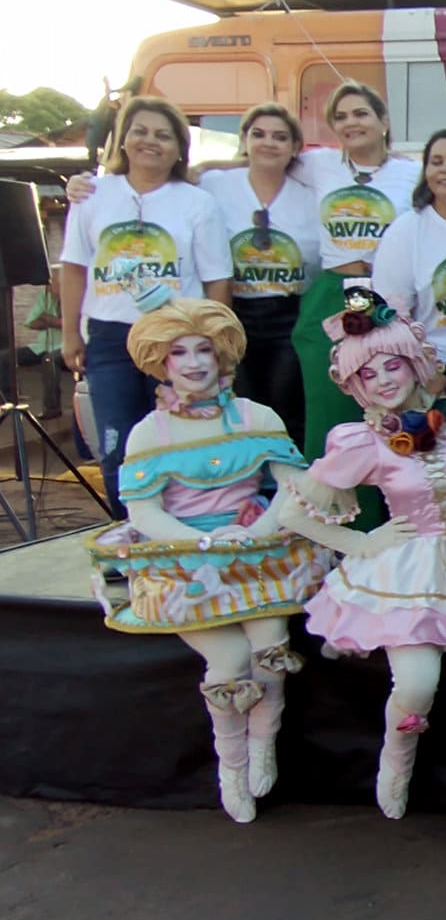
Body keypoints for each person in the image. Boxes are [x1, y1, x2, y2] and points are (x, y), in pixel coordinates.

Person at [278, 288, 446, 847]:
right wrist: (356, 542)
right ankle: (397, 752)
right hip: (406, 566)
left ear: (417, 363)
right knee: (418, 684)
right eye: (368, 376)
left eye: (393, 365)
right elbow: (290, 510)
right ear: (354, 387)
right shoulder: (361, 441)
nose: (384, 380)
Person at [85, 293, 327, 822]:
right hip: (185, 563)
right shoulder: (150, 432)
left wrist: (259, 532)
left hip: (256, 554)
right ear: (161, 362)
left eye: (203, 350)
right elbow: (144, 511)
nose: (194, 363)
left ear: (221, 355)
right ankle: (232, 768)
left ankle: (263, 742)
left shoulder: (255, 415)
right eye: (179, 353)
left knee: (272, 651)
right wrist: (204, 545)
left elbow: (293, 486)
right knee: (230, 662)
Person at [58, 96, 232, 514]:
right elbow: (74, 268)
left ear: (178, 149)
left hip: (179, 337)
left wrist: (217, 347)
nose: (150, 142)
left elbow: (217, 280)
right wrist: (69, 335)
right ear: (123, 140)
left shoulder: (197, 202)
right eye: (140, 131)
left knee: (183, 438)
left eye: (163, 135)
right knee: (119, 443)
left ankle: (184, 535)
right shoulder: (92, 194)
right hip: (110, 337)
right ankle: (131, 537)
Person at [288, 82, 424, 461]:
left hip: (383, 291)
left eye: (360, 113)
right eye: (341, 116)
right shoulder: (319, 165)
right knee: (330, 404)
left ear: (383, 120)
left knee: (388, 398)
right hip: (333, 290)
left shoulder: (411, 173)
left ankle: (391, 506)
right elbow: (265, 158)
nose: (351, 123)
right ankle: (332, 507)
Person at [198, 103, 319, 441]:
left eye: (280, 137)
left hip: (289, 315)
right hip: (234, 313)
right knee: (240, 407)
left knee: (286, 407)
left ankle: (290, 488)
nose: (269, 143)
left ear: (295, 147)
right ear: (244, 140)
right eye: (259, 134)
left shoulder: (312, 195)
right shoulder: (213, 184)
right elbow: (171, 180)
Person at [371, 128, 446, 404]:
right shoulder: (406, 231)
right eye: (436, 162)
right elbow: (390, 315)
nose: (445, 169)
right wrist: (426, 371)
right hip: (438, 368)